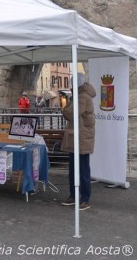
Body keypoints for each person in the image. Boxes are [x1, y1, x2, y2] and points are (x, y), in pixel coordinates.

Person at [60, 73, 96, 211]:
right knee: (74, 169)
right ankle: (74, 195)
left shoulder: (82, 97)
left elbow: (71, 113)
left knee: (82, 170)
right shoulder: (80, 97)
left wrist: (65, 107)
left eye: (72, 83)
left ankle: (84, 198)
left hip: (81, 139)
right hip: (77, 138)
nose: (71, 86)